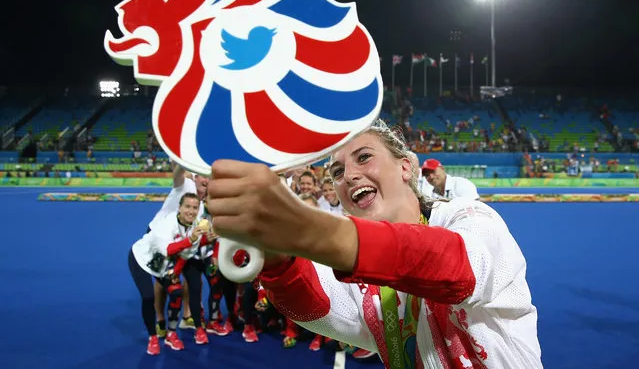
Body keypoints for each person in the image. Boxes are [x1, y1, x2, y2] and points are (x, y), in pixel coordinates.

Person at [205, 119, 542, 369]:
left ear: (406, 166)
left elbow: (461, 269)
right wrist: (277, 255)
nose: (348, 175)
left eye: (364, 157)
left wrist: (308, 229)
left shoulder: (468, 217)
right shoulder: (363, 276)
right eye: (336, 172)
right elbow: (315, 309)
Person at [129, 192, 213, 355]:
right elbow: (168, 249)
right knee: (148, 297)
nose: (191, 211)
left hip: (163, 266)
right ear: (179, 208)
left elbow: (185, 255)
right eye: (187, 206)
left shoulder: (195, 227)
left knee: (176, 293)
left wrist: (175, 272)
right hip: (142, 260)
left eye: (195, 208)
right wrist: (191, 240)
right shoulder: (167, 223)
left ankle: (171, 333)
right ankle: (153, 337)